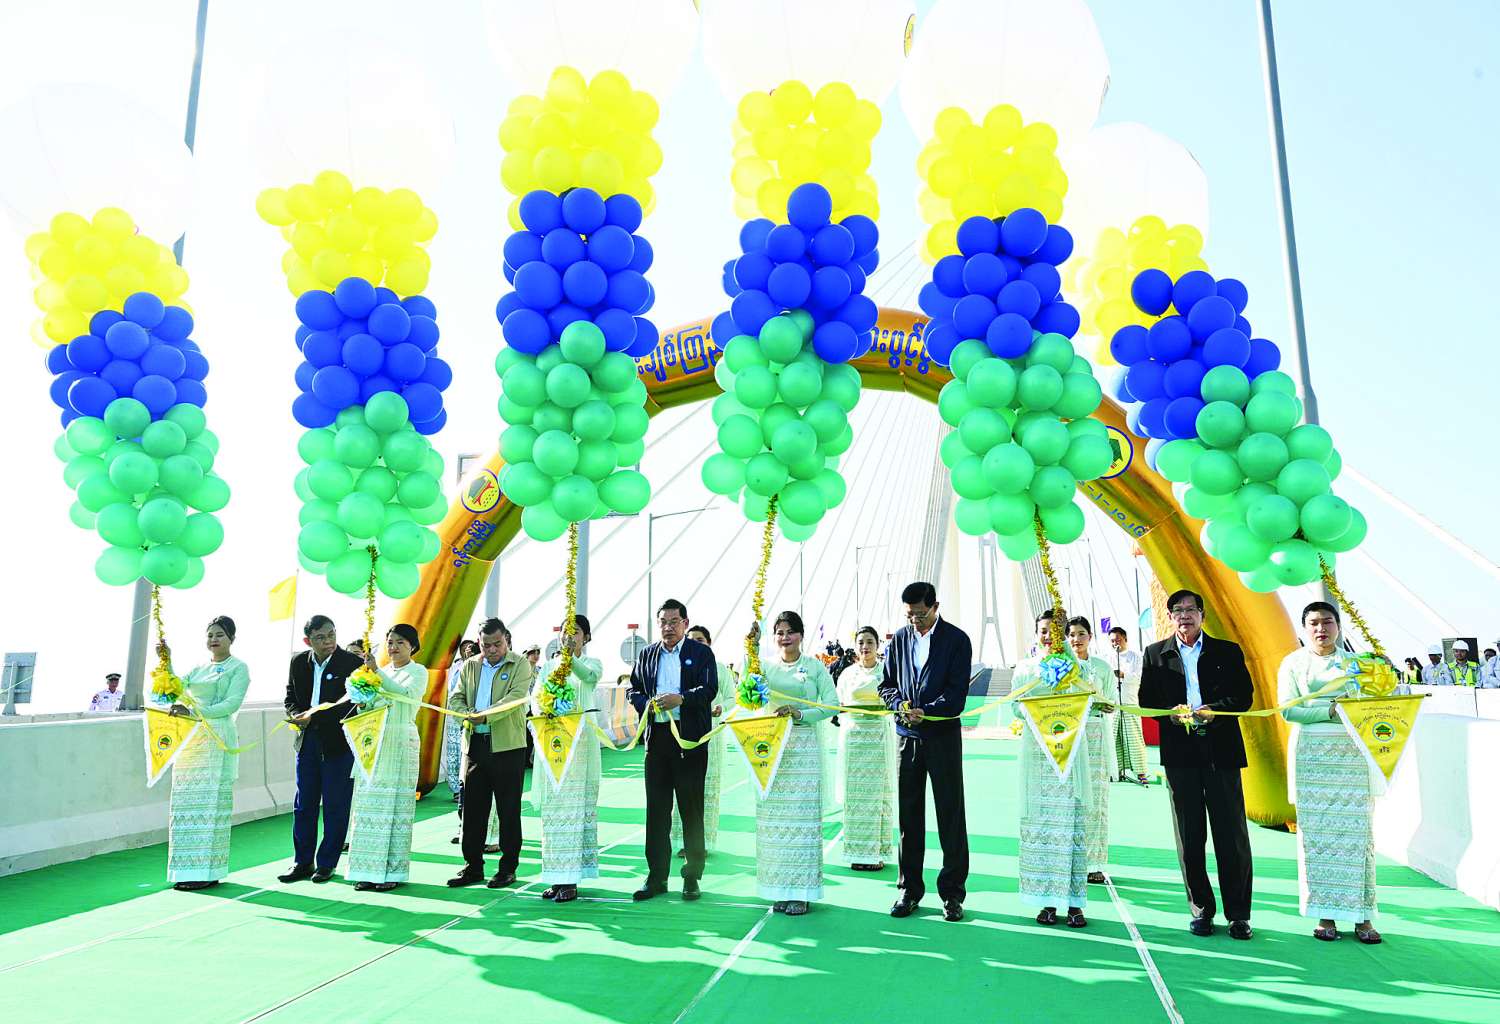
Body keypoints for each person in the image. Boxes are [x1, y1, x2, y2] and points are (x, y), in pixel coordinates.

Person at [1139, 589, 1255, 940]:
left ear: (1203, 615)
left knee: (1231, 835)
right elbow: (1147, 701)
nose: (1184, 615)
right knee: (1190, 836)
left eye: (1191, 609)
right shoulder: (1155, 654)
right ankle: (1202, 909)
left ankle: (1239, 915)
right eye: (1178, 610)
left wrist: (1214, 710)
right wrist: (1170, 714)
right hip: (1180, 755)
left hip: (1222, 751)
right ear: (1170, 617)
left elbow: (1244, 697)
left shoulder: (1227, 651)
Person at [1278, 601, 1382, 944]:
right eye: (1314, 623)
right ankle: (1325, 913)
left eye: (1327, 622)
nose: (1321, 629)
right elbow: (1288, 711)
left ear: (1339, 625)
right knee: (1317, 836)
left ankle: (1364, 916)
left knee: (1358, 836)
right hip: (1312, 756)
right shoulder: (1292, 663)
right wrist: (1329, 712)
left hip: (1352, 755)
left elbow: (1372, 703)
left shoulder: (1357, 663)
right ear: (1304, 629)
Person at [878, 581, 972, 923]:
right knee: (909, 817)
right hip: (907, 738)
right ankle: (909, 890)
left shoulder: (957, 640)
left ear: (935, 607)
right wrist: (899, 705)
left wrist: (927, 710)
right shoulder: (899, 640)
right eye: (909, 615)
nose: (914, 621)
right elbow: (886, 685)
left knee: (950, 814)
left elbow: (957, 694)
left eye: (920, 614)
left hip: (943, 737)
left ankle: (952, 894)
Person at [748, 610, 838, 915]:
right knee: (775, 821)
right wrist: (750, 648)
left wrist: (800, 714)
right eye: (779, 632)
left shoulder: (814, 667)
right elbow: (749, 693)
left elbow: (832, 705)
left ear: (801, 634)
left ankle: (801, 892)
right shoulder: (766, 667)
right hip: (771, 750)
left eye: (790, 632)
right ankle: (778, 888)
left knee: (801, 821)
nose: (785, 638)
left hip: (804, 749)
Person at [628, 598, 717, 903]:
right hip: (657, 739)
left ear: (685, 623)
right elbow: (633, 690)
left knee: (691, 809)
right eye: (663, 622)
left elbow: (709, 690)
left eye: (674, 622)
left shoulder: (701, 653)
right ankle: (657, 877)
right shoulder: (647, 654)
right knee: (656, 810)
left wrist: (682, 698)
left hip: (690, 740)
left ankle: (692, 876)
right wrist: (647, 704)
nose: (668, 627)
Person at [1011, 609, 1091, 926]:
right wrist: (1038, 711)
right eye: (1043, 630)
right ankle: (1045, 900)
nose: (1048, 636)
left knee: (1071, 823)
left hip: (1070, 755)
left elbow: (1087, 700)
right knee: (1041, 824)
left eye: (1055, 630)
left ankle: (1074, 903)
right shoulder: (1025, 668)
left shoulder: (1078, 667)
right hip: (1037, 755)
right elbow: (1015, 706)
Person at [160, 616, 250, 891]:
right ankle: (185, 870)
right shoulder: (198, 668)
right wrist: (166, 660)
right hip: (190, 739)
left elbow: (231, 704)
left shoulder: (238, 668)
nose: (214, 639)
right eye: (210, 635)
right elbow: (175, 688)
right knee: (185, 804)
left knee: (212, 805)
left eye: (220, 634)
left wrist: (196, 712)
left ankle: (208, 871)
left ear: (232, 638)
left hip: (217, 738)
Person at [447, 617, 533, 888]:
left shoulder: (520, 664)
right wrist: (466, 714)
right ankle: (472, 867)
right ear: (479, 642)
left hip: (508, 747)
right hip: (474, 745)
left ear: (506, 639)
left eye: (497, 643)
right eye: (486, 645)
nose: (492, 649)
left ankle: (507, 868)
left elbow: (515, 699)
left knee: (508, 810)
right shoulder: (470, 665)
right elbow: (456, 697)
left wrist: (485, 716)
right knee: (472, 810)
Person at [280, 615, 363, 884]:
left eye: (331, 634)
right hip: (307, 742)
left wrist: (314, 717)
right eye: (320, 637)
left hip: (338, 743)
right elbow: (290, 696)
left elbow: (352, 704)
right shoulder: (298, 662)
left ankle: (327, 863)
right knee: (304, 804)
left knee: (335, 805)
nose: (328, 641)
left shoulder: (352, 664)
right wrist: (296, 714)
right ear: (308, 641)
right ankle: (302, 862)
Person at [343, 625, 426, 892]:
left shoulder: (418, 672)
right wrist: (363, 700)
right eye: (390, 642)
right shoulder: (379, 672)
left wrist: (376, 673)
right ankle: (366, 870)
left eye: (400, 642)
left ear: (412, 646)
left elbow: (406, 696)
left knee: (395, 807)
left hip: (401, 741)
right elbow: (372, 705)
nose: (393, 647)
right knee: (368, 805)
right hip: (374, 743)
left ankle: (392, 872)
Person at [529, 614, 603, 902]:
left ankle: (572, 879)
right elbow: (537, 698)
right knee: (553, 811)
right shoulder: (548, 666)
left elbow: (588, 678)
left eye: (576, 632)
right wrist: (545, 711)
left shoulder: (592, 663)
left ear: (587, 637)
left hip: (581, 745)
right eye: (565, 631)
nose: (569, 636)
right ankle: (556, 876)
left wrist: (569, 658)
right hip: (554, 744)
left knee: (576, 809)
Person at [672, 625, 736, 858]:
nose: (695, 644)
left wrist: (721, 708)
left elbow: (732, 698)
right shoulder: (679, 667)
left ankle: (703, 841)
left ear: (709, 643)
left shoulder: (719, 669)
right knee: (682, 786)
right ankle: (683, 840)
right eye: (691, 640)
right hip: (683, 734)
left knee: (708, 788)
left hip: (711, 735)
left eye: (700, 640)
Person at [837, 625, 896, 871]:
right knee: (855, 796)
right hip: (854, 739)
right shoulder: (847, 674)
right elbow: (840, 703)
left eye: (870, 642)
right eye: (861, 642)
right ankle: (857, 852)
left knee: (877, 795)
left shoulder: (887, 671)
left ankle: (876, 852)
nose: (865, 647)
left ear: (878, 645)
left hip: (878, 738)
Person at [1068, 617, 1119, 885]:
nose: (1076, 639)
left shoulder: (1102, 667)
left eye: (1081, 634)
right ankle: (1068, 859)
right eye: (1072, 634)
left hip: (1096, 734)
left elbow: (1111, 701)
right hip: (1068, 735)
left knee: (1096, 799)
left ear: (1090, 637)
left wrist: (1103, 705)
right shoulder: (1061, 666)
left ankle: (1094, 862)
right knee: (1071, 797)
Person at [1109, 627, 1149, 785]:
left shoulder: (1135, 656)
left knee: (1134, 738)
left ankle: (1141, 772)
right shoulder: (1108, 657)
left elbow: (1139, 677)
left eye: (1118, 640)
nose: (1115, 643)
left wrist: (1123, 674)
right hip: (1113, 704)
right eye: (1112, 641)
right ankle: (1116, 770)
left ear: (1125, 639)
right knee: (1114, 738)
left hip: (1130, 702)